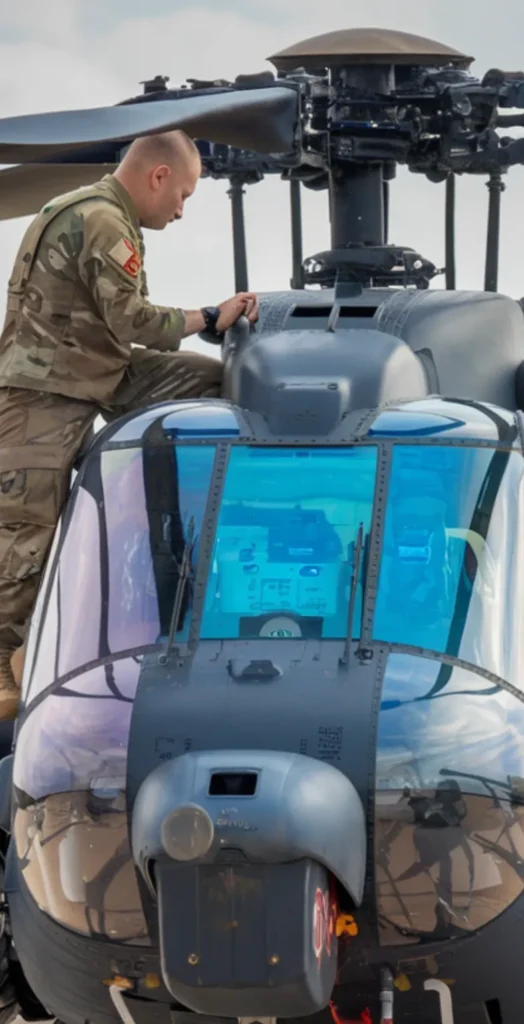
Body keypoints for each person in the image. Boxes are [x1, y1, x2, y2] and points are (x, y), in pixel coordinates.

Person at [0, 128, 259, 720]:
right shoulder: (103, 220)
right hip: (42, 391)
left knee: (209, 379)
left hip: (96, 369)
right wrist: (210, 314)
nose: (181, 209)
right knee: (23, 533)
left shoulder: (101, 214)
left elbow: (115, 331)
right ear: (158, 176)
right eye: (184, 194)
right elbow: (135, 318)